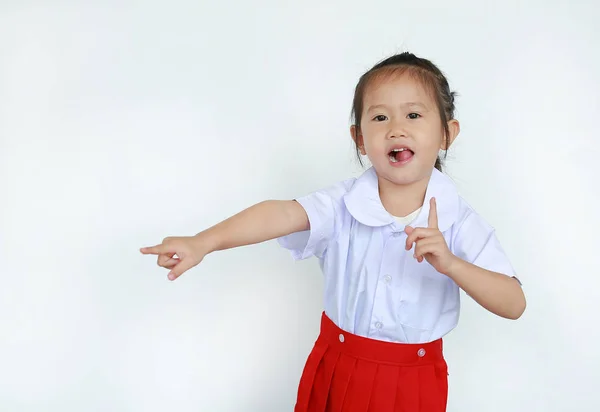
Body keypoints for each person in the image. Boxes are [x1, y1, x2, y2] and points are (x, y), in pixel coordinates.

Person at [140, 51, 526, 412]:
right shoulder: (342, 204)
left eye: (413, 115)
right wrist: (203, 242)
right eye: (379, 118)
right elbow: (280, 214)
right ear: (359, 138)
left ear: (446, 133)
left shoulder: (459, 220)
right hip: (337, 367)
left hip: (414, 382)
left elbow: (513, 303)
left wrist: (452, 264)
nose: (396, 129)